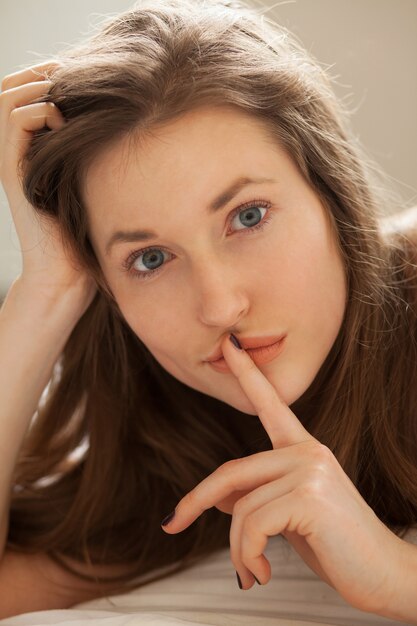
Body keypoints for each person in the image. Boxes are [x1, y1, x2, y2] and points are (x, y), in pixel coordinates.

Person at [0, 0, 416, 620]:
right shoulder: (178, 442)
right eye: (149, 259)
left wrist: (395, 577)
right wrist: (46, 293)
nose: (220, 306)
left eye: (248, 216)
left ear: (330, 193)